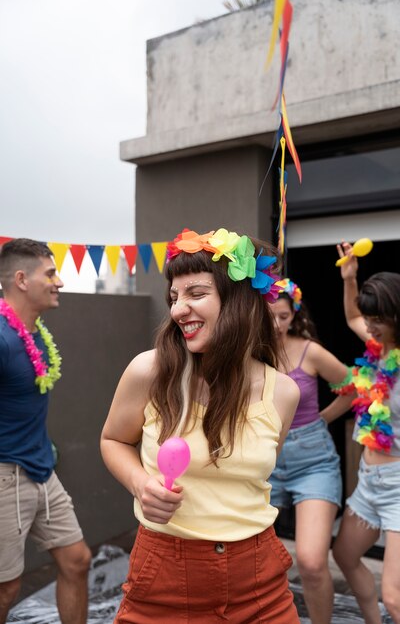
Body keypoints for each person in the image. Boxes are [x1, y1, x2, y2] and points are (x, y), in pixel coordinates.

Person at [101, 227, 301, 623]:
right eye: (174, 298)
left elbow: (253, 478)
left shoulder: (284, 393)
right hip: (166, 574)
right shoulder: (149, 370)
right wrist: (142, 485)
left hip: (260, 578)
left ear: (240, 301)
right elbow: (112, 440)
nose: (177, 310)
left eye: (195, 294)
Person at [0, 239, 91, 624]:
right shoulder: (2, 338)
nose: (60, 282)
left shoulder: (36, 334)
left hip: (41, 472)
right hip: (5, 476)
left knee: (77, 561)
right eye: (50, 273)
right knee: (6, 590)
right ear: (21, 279)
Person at [331, 241, 400, 624]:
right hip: (369, 482)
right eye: (369, 319)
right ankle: (371, 620)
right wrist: (350, 279)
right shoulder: (378, 349)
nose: (368, 326)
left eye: (377, 319)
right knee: (345, 557)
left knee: (397, 599)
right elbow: (352, 315)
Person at [266, 276, 351, 624]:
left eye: (283, 316)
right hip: (263, 460)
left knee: (313, 562)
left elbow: (352, 387)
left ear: (294, 314)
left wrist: (322, 417)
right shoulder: (247, 351)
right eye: (269, 315)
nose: (276, 324)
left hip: (312, 460)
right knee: (253, 560)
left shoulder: (308, 350)